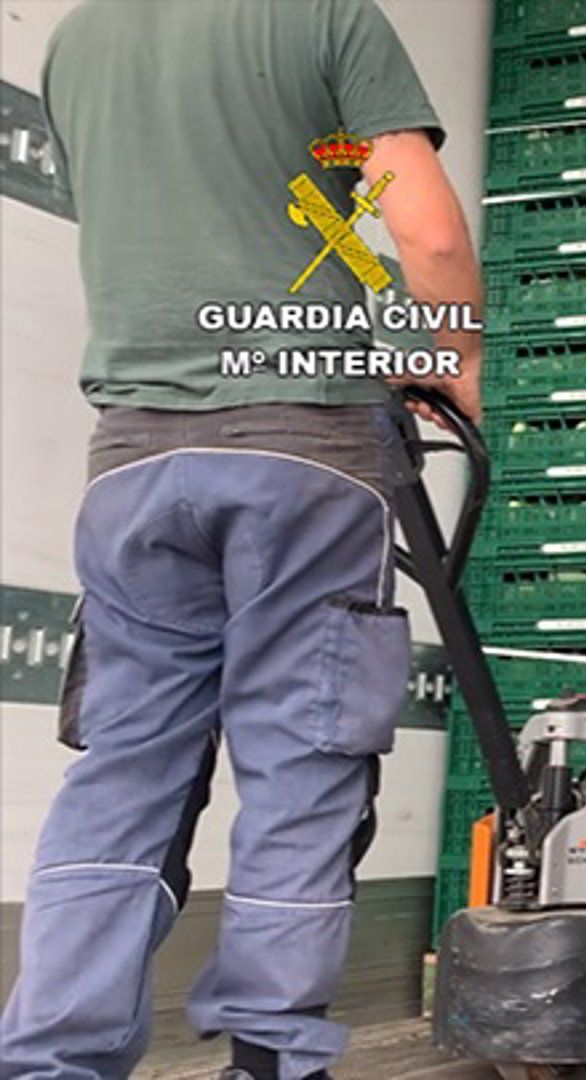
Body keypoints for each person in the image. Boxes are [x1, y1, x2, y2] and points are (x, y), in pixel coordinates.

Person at [1, 2, 480, 1077]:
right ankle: (269, 1059)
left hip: (131, 462)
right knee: (303, 760)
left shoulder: (76, 40)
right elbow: (432, 233)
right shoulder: (325, 14)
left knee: (124, 771)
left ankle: (51, 1060)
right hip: (304, 453)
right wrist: (454, 362)